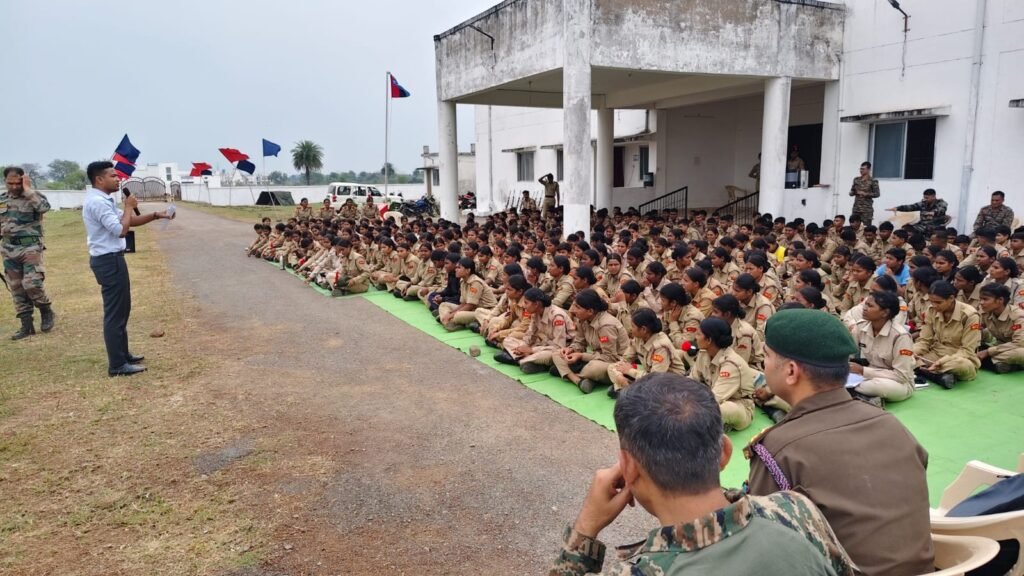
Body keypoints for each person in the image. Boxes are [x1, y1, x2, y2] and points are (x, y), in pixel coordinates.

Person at [552, 373, 856, 576]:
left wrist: (586, 527)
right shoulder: (794, 510)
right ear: (725, 452)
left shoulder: (638, 571)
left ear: (628, 467)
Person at [746, 309, 934, 576]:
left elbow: (764, 538)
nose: (763, 366)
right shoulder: (890, 424)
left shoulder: (779, 448)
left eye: (765, 356)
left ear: (791, 371)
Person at [82, 161, 175, 377]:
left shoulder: (103, 200)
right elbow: (120, 230)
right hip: (108, 261)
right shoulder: (97, 202)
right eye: (113, 176)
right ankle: (117, 365)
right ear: (99, 179)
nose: (118, 179)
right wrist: (128, 206)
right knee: (115, 313)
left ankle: (123, 355)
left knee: (122, 310)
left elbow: (128, 221)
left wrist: (157, 215)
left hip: (112, 259)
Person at [1, 166, 55, 340]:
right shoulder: (1, 199)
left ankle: (46, 310)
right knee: (16, 287)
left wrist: (28, 189)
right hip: (8, 249)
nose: (14, 186)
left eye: (18, 183)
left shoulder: (33, 197)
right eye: (10, 183)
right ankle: (26, 325)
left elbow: (44, 208)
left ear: (23, 180)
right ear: (5, 181)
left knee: (32, 284)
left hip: (30, 247)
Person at [551, 289, 629, 394]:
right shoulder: (583, 320)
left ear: (590, 311)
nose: (573, 310)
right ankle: (578, 380)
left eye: (578, 307)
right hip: (596, 357)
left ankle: (571, 374)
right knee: (557, 354)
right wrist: (570, 349)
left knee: (592, 368)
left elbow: (610, 357)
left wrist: (581, 356)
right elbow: (579, 342)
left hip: (614, 363)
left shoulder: (606, 325)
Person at [689, 317, 759, 431]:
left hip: (739, 406)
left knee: (723, 410)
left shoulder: (731, 364)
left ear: (709, 340)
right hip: (711, 395)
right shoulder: (703, 353)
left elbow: (715, 399)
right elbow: (691, 380)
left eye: (698, 334)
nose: (695, 337)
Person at [849, 291, 916, 403]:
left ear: (885, 313)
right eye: (865, 304)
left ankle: (853, 392)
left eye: (870, 306)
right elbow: (848, 353)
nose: (864, 308)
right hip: (868, 376)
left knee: (878, 386)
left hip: (897, 383)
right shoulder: (861, 327)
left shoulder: (900, 336)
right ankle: (862, 396)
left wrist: (862, 370)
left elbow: (901, 376)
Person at [913, 280, 982, 389]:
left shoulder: (970, 315)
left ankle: (925, 371)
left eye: (938, 302)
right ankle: (937, 374)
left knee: (961, 365)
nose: (934, 305)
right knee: (906, 357)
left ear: (951, 298)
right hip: (936, 353)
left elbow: (967, 350)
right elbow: (925, 341)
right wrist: (912, 352)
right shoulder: (931, 310)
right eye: (931, 302)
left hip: (959, 358)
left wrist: (942, 361)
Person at [606, 308, 685, 398]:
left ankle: (626, 390)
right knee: (611, 367)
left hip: (669, 380)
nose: (631, 329)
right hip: (649, 374)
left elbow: (655, 378)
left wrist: (629, 371)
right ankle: (629, 389)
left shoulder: (661, 346)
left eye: (633, 326)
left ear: (643, 329)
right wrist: (619, 376)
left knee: (653, 386)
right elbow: (625, 360)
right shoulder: (638, 338)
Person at [976, 283, 1024, 373]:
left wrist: (988, 352)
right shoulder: (985, 312)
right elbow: (976, 328)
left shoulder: (1019, 316)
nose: (981, 302)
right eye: (980, 299)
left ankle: (986, 362)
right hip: (1000, 346)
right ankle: (1001, 365)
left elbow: (1019, 343)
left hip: (1017, 347)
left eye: (985, 299)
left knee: (1020, 353)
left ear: (1000, 300)